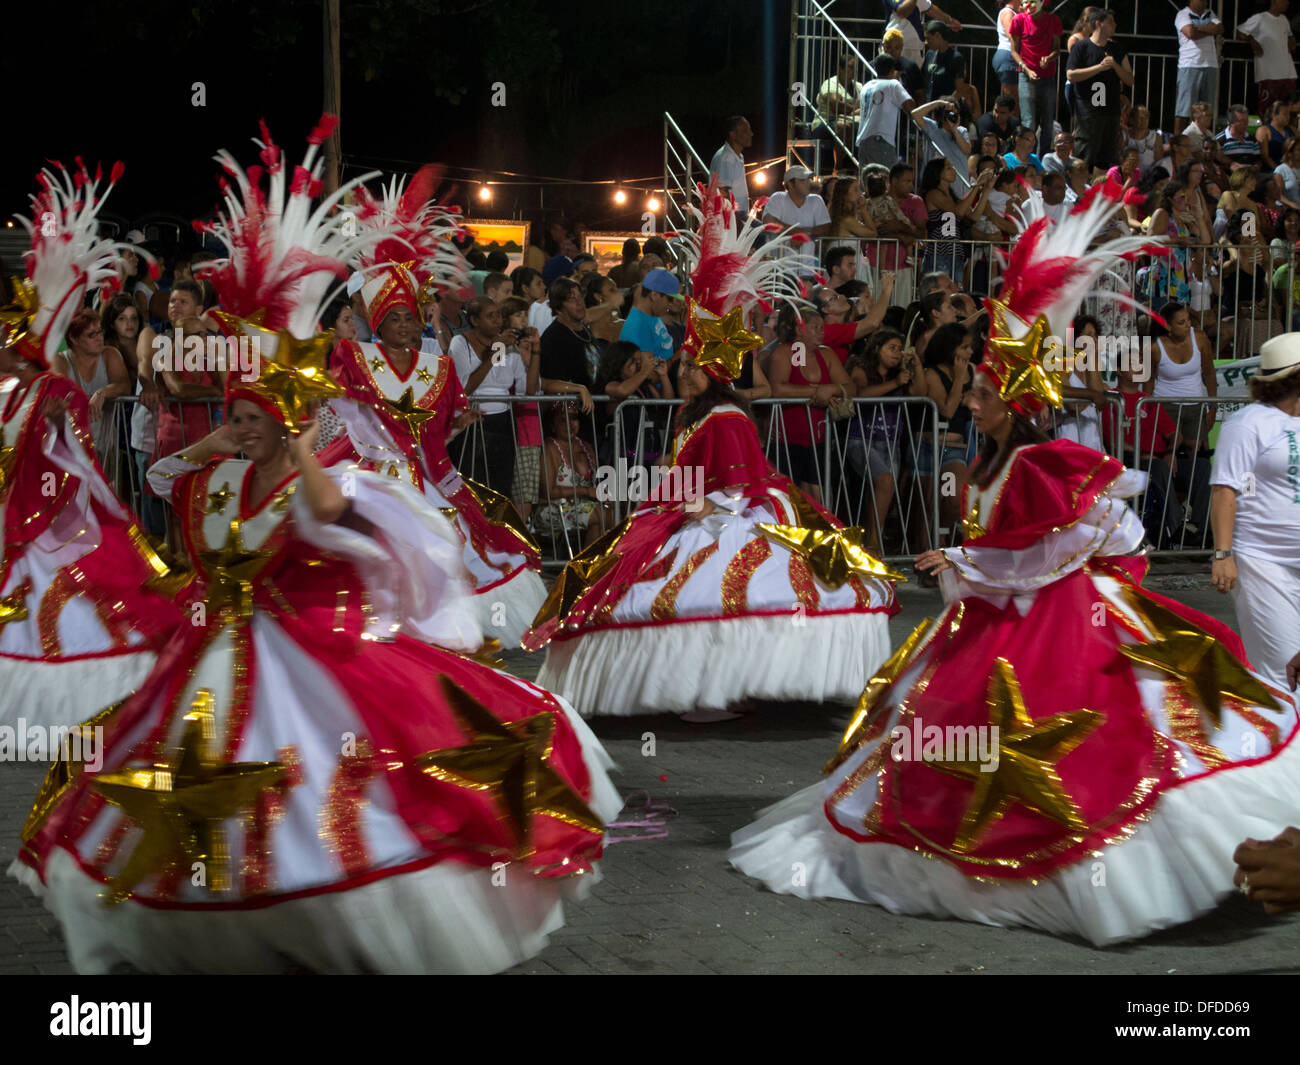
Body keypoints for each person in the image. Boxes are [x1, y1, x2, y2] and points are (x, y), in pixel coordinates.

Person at [731, 183, 1300, 945]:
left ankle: (1153, 870)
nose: (972, 398)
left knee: (1098, 747)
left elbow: (1105, 532)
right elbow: (1050, 544)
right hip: (996, 623)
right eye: (974, 386)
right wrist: (980, 560)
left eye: (986, 390)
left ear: (1016, 399)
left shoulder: (1036, 460)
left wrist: (1009, 565)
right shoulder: (992, 460)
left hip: (1054, 629)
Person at [15, 360, 620, 974]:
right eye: (237, 418)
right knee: (214, 783)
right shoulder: (221, 481)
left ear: (288, 423)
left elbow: (330, 510)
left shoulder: (330, 482)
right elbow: (163, 475)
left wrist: (300, 448)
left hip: (314, 659)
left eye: (255, 419)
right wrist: (217, 440)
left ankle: (320, 914)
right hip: (219, 659)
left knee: (321, 786)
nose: (243, 429)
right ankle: (247, 909)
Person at [525, 185, 899, 720]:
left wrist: (698, 507)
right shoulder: (692, 415)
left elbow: (743, 483)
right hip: (689, 514)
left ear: (715, 374)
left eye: (692, 368)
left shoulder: (726, 417)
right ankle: (700, 689)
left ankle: (721, 689)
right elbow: (686, 475)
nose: (682, 372)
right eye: (682, 366)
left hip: (725, 519)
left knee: (710, 594)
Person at [320, 168, 547, 647]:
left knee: (456, 547)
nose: (404, 325)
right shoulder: (357, 359)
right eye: (394, 317)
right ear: (378, 323)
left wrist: (458, 425)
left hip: (429, 476)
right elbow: (347, 410)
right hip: (376, 478)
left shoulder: (437, 368)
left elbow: (439, 431)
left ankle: (443, 633)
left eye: (411, 316)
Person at [0, 162, 184, 733]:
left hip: (39, 527)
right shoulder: (18, 391)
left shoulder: (49, 391)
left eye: (12, 347)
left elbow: (71, 449)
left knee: (58, 612)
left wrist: (50, 423)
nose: (8, 354)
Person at [1209, 333, 1300, 695]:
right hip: (1263, 563)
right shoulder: (1248, 424)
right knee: (1284, 676)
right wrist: (1223, 555)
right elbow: (1225, 489)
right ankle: (1282, 749)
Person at [769, 307, 855, 502]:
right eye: (815, 327)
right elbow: (778, 389)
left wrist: (831, 389)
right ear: (800, 330)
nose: (821, 331)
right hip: (786, 440)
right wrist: (818, 391)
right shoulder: (783, 352)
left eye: (822, 327)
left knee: (819, 498)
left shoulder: (827, 354)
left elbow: (851, 387)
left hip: (818, 440)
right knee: (787, 499)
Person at [448, 296, 527, 495]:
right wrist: (493, 355)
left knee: (500, 485)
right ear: (474, 320)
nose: (497, 320)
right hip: (471, 422)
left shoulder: (501, 343)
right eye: (490, 316)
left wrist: (502, 348)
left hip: (502, 422)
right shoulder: (460, 342)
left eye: (499, 315)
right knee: (472, 483)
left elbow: (498, 380)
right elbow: (465, 387)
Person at [52, 307, 130, 459]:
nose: (99, 337)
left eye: (100, 331)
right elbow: (62, 393)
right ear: (74, 339)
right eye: (91, 335)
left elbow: (124, 385)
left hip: (105, 448)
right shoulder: (60, 360)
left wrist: (101, 392)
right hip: (72, 450)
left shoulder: (109, 354)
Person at [1067, 8, 1133, 177]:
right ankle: (1078, 189)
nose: (1115, 25)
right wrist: (1099, 68)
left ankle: (1096, 190)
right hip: (1087, 112)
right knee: (1084, 154)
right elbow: (1071, 74)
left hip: (1110, 111)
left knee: (1105, 157)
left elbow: (1129, 79)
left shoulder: (1117, 49)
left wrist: (1114, 66)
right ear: (1098, 24)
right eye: (1110, 21)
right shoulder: (1081, 47)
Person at [1009, 0, 1063, 160]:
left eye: (1032, 1)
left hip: (1047, 76)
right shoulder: (1018, 20)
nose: (1028, 4)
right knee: (1029, 121)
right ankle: (1025, 157)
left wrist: (1049, 58)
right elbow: (1014, 51)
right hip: (1026, 75)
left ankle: (1042, 158)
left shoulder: (1053, 20)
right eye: (1025, 0)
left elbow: (1057, 49)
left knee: (1048, 122)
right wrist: (1026, 69)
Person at [762, 166, 831, 274]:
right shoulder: (778, 197)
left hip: (808, 269)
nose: (808, 183)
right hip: (780, 270)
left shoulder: (816, 200)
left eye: (809, 179)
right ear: (790, 184)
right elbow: (769, 222)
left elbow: (826, 228)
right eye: (803, 180)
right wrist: (797, 232)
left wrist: (800, 233)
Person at [1239, 0, 1297, 120]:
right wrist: (1253, 41)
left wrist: (1292, 41)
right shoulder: (1260, 18)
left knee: (1289, 108)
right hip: (1269, 73)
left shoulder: (1284, 19)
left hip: (1287, 72)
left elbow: (1290, 35)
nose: (1287, 3)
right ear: (1275, 1)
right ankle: (1266, 134)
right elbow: (1241, 32)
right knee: (1268, 109)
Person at [855, 56, 915, 168]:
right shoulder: (893, 84)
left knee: (868, 181)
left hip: (863, 140)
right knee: (886, 181)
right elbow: (910, 106)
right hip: (881, 140)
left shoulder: (867, 86)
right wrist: (899, 82)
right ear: (892, 70)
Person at [1174, 0, 1222, 131]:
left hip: (1210, 65)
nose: (1205, 2)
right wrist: (1208, 29)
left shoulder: (1210, 13)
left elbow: (1219, 28)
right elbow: (1190, 33)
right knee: (1184, 109)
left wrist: (1198, 28)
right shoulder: (1183, 15)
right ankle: (1178, 142)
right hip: (1190, 64)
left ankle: (1203, 141)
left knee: (1206, 110)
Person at [883, 0, 961, 67]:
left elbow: (930, 9)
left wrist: (950, 21)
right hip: (893, 46)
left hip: (914, 47)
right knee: (891, 78)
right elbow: (902, 11)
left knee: (912, 81)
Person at [815, 60, 860, 173]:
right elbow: (836, 106)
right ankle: (838, 168)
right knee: (843, 126)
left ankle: (864, 169)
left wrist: (848, 108)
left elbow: (867, 107)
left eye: (855, 68)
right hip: (826, 122)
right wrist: (856, 109)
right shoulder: (831, 83)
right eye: (850, 67)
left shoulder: (859, 86)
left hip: (853, 121)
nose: (854, 71)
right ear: (841, 69)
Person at [710, 115, 753, 215]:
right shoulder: (726, 159)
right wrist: (735, 223)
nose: (751, 134)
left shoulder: (736, 156)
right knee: (768, 231)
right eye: (745, 131)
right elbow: (723, 193)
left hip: (738, 215)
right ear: (733, 134)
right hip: (733, 218)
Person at [992, 1, 1023, 113]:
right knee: (1012, 103)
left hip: (1011, 58)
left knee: (1014, 101)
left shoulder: (1014, 12)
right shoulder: (1007, 12)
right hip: (1008, 57)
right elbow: (1012, 35)